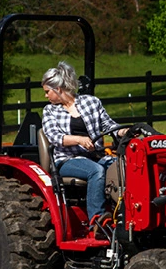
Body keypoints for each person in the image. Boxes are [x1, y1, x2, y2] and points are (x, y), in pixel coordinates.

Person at [41, 61, 126, 232]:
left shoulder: (91, 103)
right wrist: (79, 140)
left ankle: (124, 214)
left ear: (58, 89)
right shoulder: (50, 111)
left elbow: (109, 125)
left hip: (95, 157)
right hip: (66, 160)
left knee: (122, 167)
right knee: (95, 170)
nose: (46, 96)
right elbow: (55, 137)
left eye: (47, 91)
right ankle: (97, 221)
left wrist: (122, 131)